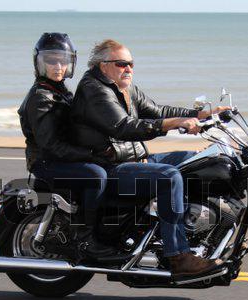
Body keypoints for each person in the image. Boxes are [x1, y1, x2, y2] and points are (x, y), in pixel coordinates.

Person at [70, 39, 230, 280]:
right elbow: (123, 127)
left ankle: (201, 228)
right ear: (103, 66)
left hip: (135, 158)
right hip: (110, 166)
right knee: (169, 177)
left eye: (131, 64)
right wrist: (174, 124)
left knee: (194, 160)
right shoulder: (94, 90)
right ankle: (178, 255)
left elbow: (158, 111)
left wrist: (201, 114)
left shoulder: (124, 88)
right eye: (122, 63)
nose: (129, 69)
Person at [18, 32, 116, 260]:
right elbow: (51, 146)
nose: (58, 66)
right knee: (96, 175)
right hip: (46, 161)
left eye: (63, 61)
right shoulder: (41, 97)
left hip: (61, 157)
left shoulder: (60, 91)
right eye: (51, 61)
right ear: (40, 63)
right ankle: (86, 239)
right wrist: (91, 155)